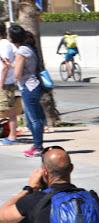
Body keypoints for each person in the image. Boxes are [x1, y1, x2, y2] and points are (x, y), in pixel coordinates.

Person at [0, 146, 99, 223]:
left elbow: (2, 216)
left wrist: (29, 189)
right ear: (71, 168)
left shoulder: (34, 199)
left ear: (44, 172)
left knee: (19, 218)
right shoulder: (92, 197)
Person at [10, 25, 45, 157]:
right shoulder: (29, 49)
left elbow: (18, 74)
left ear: (12, 37)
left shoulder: (21, 51)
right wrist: (12, 65)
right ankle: (36, 145)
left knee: (34, 120)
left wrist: (13, 75)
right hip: (34, 85)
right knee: (33, 120)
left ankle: (38, 147)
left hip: (28, 87)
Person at [0, 21, 19, 145]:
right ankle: (12, 136)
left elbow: (6, 65)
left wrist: (1, 82)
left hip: (5, 83)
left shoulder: (3, 44)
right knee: (9, 111)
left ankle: (12, 137)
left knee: (8, 111)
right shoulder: (7, 44)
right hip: (7, 82)